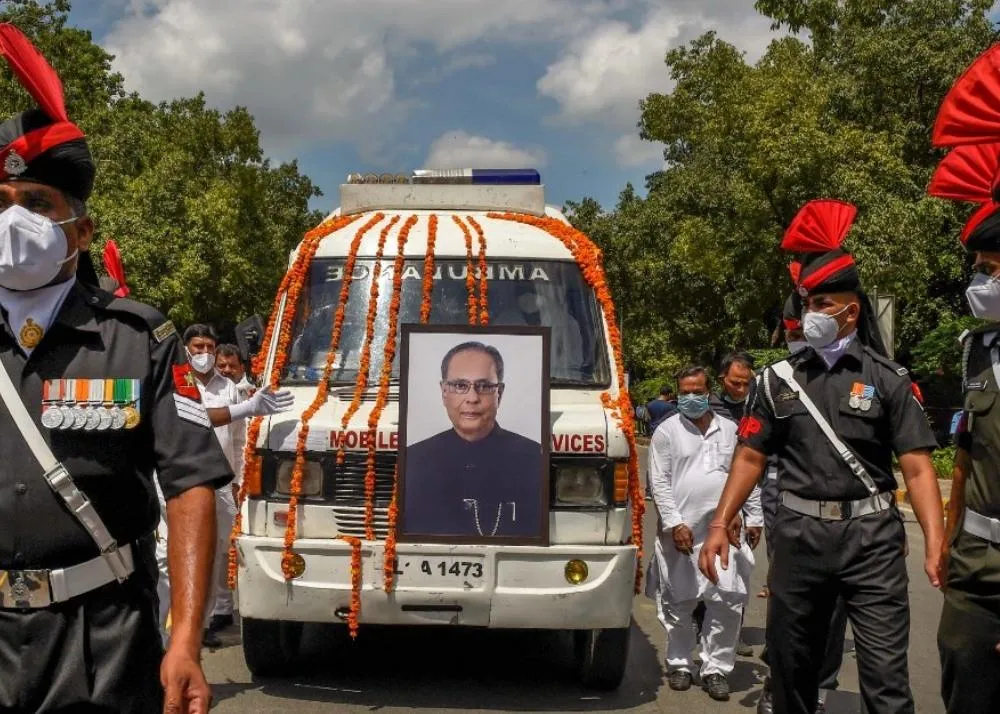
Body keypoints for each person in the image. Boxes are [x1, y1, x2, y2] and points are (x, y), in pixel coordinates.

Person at [0, 23, 230, 712]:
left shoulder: (139, 338)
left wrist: (185, 637)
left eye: (37, 203)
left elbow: (190, 487)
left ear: (81, 229)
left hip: (100, 638)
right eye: (1, 205)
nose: (15, 221)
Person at [699, 199, 944, 714]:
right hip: (800, 541)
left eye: (819, 304)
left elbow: (918, 468)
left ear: (850, 311)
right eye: (805, 303)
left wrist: (935, 543)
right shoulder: (777, 381)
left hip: (872, 543)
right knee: (792, 674)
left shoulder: (888, 380)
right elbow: (749, 457)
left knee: (886, 682)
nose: (807, 314)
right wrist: (721, 522)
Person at [925, 60, 1000, 711]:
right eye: (979, 267)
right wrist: (947, 544)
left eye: (992, 267)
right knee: (963, 685)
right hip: (976, 574)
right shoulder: (978, 348)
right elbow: (966, 456)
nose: (980, 281)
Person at [755, 287, 850, 714]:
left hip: (848, 513)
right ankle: (779, 682)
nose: (799, 332)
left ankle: (821, 690)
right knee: (787, 603)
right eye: (792, 326)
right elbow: (751, 453)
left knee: (833, 610)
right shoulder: (775, 380)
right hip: (786, 503)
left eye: (803, 323)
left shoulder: (864, 374)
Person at [648, 366, 754, 702]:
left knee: (725, 600)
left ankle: (716, 669)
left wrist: (754, 516)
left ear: (709, 392)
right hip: (680, 534)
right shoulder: (666, 432)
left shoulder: (731, 430)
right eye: (684, 392)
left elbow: (747, 475)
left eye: (697, 391)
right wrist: (674, 523)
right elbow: (659, 482)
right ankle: (680, 662)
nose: (691, 398)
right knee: (679, 600)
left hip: (725, 532)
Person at [402, 341, 542, 538]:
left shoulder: (534, 459)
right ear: (444, 392)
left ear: (499, 394)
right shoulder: (412, 460)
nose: (472, 398)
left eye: (484, 386)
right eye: (460, 386)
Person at [184, 324, 244, 648]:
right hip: (187, 481)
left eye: (209, 346)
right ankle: (192, 623)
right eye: (198, 347)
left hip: (223, 483)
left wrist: (239, 481)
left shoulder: (229, 388)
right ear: (186, 349)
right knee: (190, 553)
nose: (204, 353)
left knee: (220, 549)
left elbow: (238, 439)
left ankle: (213, 616)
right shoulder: (176, 384)